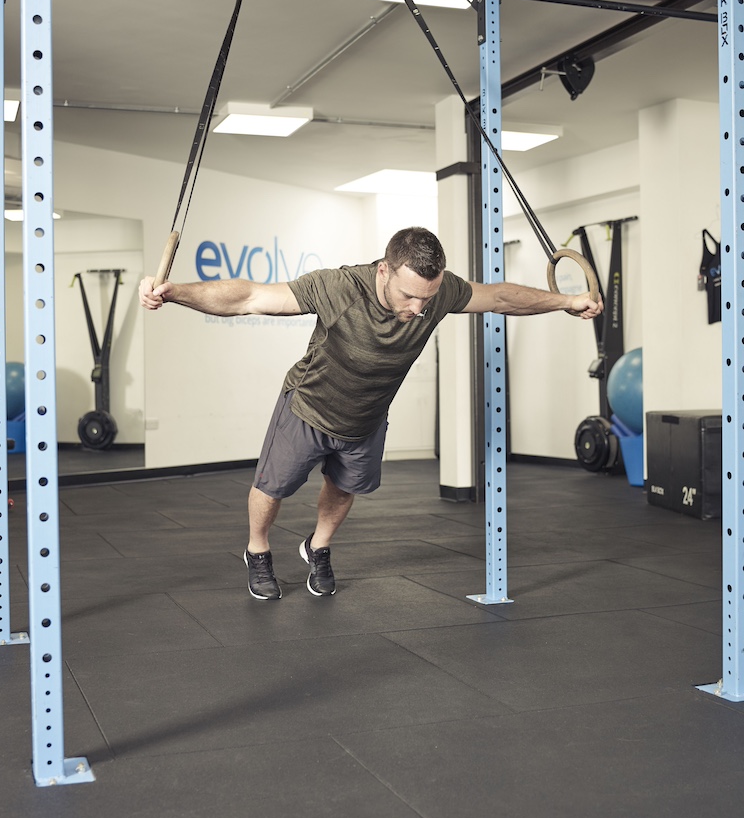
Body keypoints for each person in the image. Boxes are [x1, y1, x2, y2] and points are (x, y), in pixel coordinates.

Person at [139, 226, 602, 601]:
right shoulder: (337, 286)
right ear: (384, 270)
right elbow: (247, 298)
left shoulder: (436, 294)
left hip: (366, 417)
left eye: (428, 298)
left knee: (343, 490)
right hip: (309, 406)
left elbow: (500, 298)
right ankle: (257, 550)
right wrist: (175, 292)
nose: (418, 309)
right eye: (408, 296)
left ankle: (317, 548)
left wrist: (566, 301)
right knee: (271, 487)